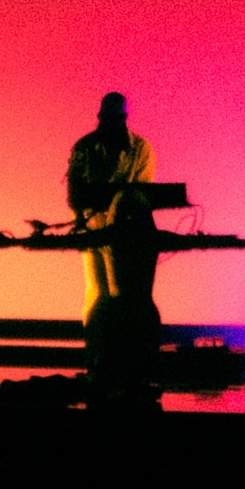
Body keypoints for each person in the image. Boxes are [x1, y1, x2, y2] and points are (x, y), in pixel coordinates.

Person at [66, 93, 158, 396]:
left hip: (130, 235)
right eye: (106, 119)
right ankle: (98, 360)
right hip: (94, 231)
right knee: (97, 294)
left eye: (116, 119)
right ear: (100, 118)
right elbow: (75, 194)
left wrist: (117, 210)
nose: (110, 125)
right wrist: (86, 217)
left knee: (131, 298)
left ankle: (132, 366)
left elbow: (141, 194)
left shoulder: (141, 148)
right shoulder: (84, 147)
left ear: (124, 119)